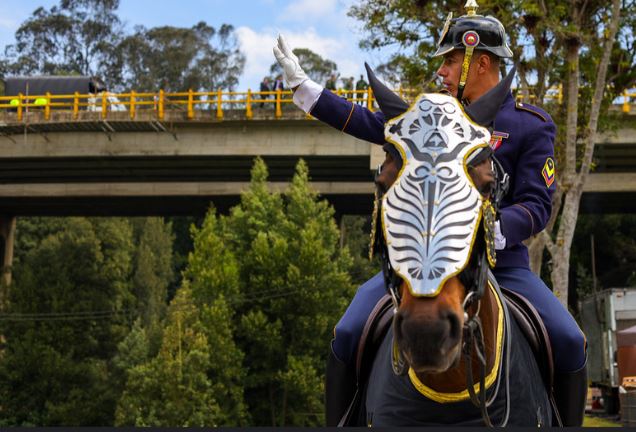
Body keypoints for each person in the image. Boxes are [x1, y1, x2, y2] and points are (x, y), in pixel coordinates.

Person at [273, 0, 587, 426]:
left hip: (502, 266)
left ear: (482, 62)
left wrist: (493, 229)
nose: (442, 71)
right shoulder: (436, 120)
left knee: (569, 341)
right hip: (422, 263)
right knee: (348, 333)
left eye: (452, 61)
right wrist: (307, 91)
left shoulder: (531, 125)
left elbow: (536, 205)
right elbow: (373, 123)